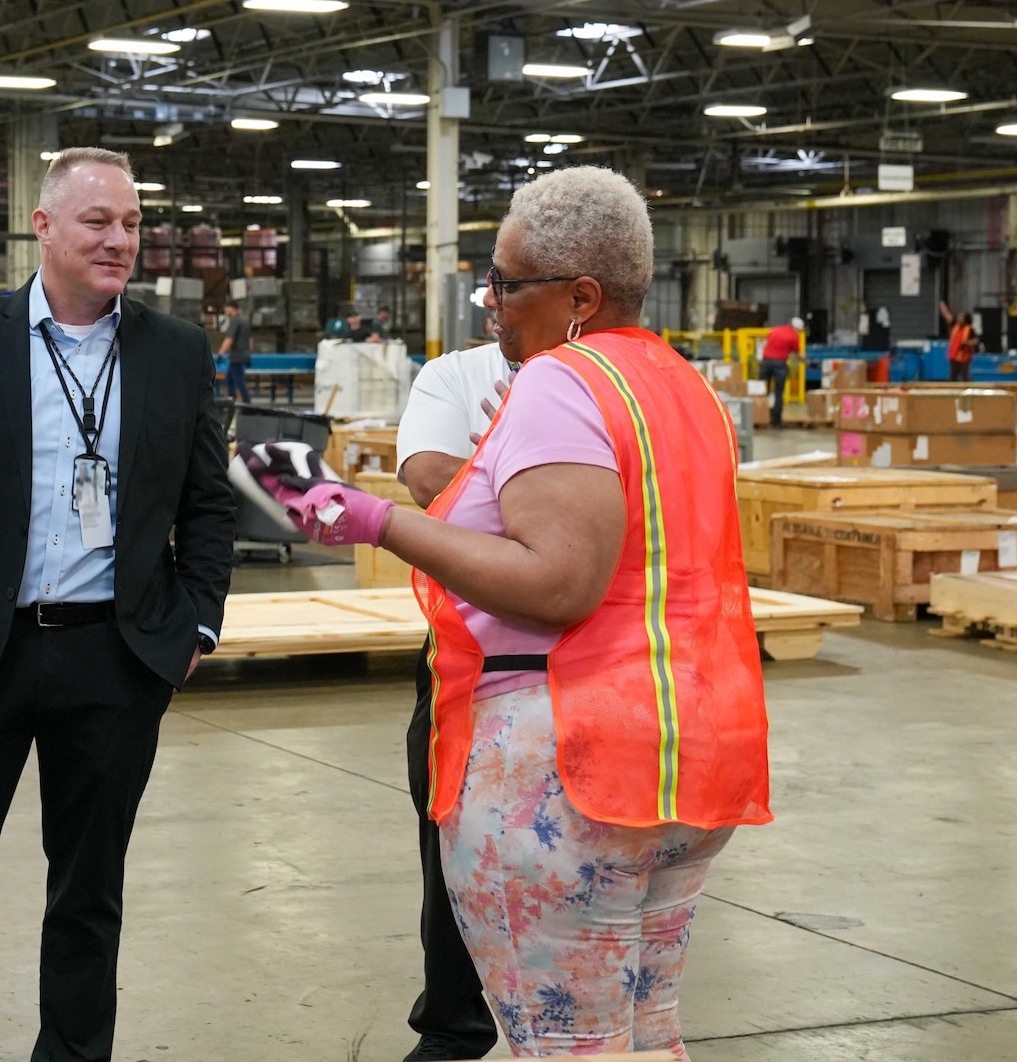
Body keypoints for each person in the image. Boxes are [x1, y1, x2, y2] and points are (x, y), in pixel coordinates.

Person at [242, 166, 770, 1057]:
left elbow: (558, 584)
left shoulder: (564, 381)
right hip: (689, 756)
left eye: (507, 283)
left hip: (569, 769)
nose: (489, 302)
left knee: (568, 1044)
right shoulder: (684, 389)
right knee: (644, 1036)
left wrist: (370, 519)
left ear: (581, 296)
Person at [0, 146, 235, 1062]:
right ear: (43, 227)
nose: (120, 241)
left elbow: (207, 502)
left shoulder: (175, 351)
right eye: (98, 222)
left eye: (133, 225)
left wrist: (196, 621)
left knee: (87, 891)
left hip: (114, 657)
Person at [394, 338, 516, 1061]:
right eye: (490, 285)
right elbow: (427, 478)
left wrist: (494, 465)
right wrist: (538, 472)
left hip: (598, 650)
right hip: (466, 645)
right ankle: (452, 1022)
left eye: (510, 282)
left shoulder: (623, 376)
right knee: (443, 818)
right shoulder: (458, 374)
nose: (495, 300)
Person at [759, 316, 800, 428]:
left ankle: (759, 417)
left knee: (761, 391)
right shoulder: (793, 336)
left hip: (765, 362)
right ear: (796, 328)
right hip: (780, 364)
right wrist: (806, 361)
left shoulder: (775, 330)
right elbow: (797, 353)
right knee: (778, 392)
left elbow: (765, 342)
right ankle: (776, 422)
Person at [220, 299, 253, 402]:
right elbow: (251, 340)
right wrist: (247, 352)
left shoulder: (234, 321)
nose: (225, 311)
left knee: (239, 381)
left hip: (236, 356)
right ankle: (232, 402)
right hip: (243, 354)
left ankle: (247, 404)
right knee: (229, 380)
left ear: (230, 308)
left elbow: (230, 339)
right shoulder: (245, 321)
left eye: (226, 309)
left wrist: (221, 352)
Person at [939, 301, 977, 382]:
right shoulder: (954, 326)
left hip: (964, 355)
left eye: (961, 317)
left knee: (965, 375)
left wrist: (967, 343)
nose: (959, 319)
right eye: (958, 317)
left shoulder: (969, 329)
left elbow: (975, 340)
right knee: (953, 375)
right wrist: (941, 304)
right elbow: (946, 315)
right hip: (954, 355)